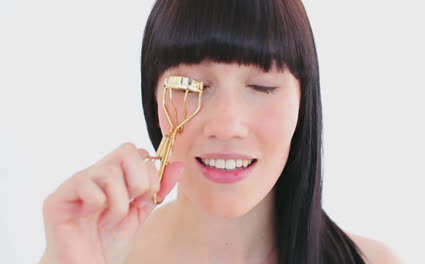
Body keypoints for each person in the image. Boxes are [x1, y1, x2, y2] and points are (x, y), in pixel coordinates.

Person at [40, 0, 401, 263]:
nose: (227, 125)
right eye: (192, 85)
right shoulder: (99, 255)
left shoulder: (371, 261)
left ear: (303, 102)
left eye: (262, 87)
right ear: (152, 97)